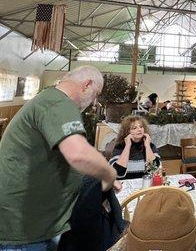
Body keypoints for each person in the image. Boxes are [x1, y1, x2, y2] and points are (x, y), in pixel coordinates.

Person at [0, 66, 121, 250]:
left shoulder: (48, 100)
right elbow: (79, 155)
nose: (94, 101)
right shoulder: (59, 103)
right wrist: (109, 174)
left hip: (35, 225)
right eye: (96, 94)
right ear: (86, 85)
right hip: (26, 234)